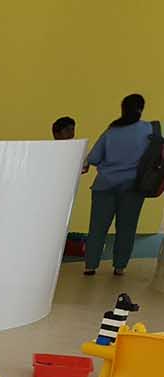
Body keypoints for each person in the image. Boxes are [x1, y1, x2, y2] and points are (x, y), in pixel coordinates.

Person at [82, 94, 154, 276]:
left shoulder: (112, 131)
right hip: (133, 187)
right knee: (127, 228)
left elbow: (94, 158)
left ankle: (90, 266)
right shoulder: (149, 130)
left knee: (97, 228)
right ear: (141, 109)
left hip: (104, 186)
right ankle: (119, 267)